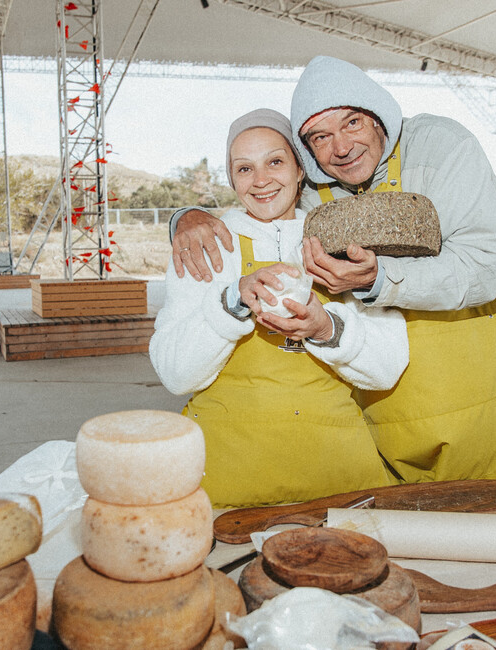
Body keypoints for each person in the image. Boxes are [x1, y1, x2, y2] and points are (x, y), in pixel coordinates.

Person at [170, 56, 496, 485]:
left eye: (352, 124)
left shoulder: (441, 146)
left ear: (378, 116)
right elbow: (266, 203)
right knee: (401, 524)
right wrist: (187, 216)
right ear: (306, 154)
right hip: (388, 392)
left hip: (473, 363)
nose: (340, 148)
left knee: (491, 509)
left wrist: (378, 280)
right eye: (320, 137)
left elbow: (484, 262)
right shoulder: (319, 188)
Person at [149, 108, 408, 508]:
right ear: (232, 178)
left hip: (339, 482)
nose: (262, 180)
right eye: (244, 169)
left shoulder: (344, 239)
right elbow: (175, 373)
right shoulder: (209, 246)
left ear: (300, 169)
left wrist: (327, 328)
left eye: (275, 161)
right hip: (225, 484)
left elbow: (388, 367)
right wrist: (232, 301)